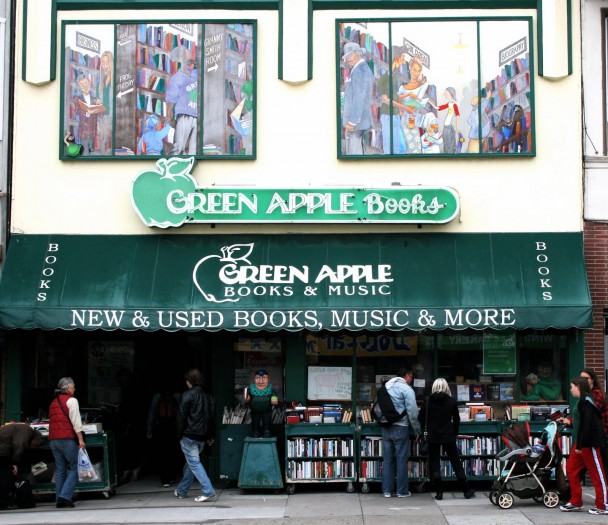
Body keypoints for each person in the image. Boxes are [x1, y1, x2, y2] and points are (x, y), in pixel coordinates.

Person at [559, 377, 608, 514]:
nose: (570, 389)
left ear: (578, 387)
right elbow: (581, 424)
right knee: (571, 468)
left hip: (590, 443)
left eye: (572, 387)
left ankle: (603, 505)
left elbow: (587, 426)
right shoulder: (582, 402)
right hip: (581, 444)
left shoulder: (587, 402)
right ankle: (576, 501)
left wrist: (580, 445)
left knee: (597, 474)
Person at [426, 378, 475, 500]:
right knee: (456, 462)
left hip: (433, 435)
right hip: (448, 435)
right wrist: (454, 433)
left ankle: (439, 493)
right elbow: (457, 420)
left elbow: (422, 417)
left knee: (435, 463)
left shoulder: (428, 401)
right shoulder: (451, 401)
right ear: (446, 387)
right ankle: (466, 490)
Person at [174, 368, 216, 502]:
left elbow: (180, 416)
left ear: (188, 382)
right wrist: (210, 436)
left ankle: (208, 491)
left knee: (194, 463)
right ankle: (181, 491)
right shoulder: (208, 396)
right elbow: (211, 417)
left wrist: (179, 434)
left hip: (189, 435)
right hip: (202, 437)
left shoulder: (187, 395)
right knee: (191, 464)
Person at [381, 366, 420, 498]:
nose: (411, 379)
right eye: (411, 377)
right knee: (401, 460)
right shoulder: (407, 390)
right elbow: (413, 412)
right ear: (407, 375)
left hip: (386, 427)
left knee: (387, 459)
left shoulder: (386, 386)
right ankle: (401, 491)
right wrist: (417, 429)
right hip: (401, 427)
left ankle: (387, 490)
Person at [48, 377, 86, 508]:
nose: (74, 389)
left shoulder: (53, 402)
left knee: (60, 469)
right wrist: (80, 439)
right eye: (73, 386)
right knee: (76, 466)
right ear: (68, 388)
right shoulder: (72, 400)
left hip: (53, 440)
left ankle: (59, 498)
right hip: (66, 439)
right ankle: (65, 496)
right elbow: (76, 421)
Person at [341, 42, 375, 155]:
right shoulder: (363, 69)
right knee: (360, 150)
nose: (347, 60)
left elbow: (359, 97)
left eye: (349, 56)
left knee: (354, 154)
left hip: (356, 124)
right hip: (362, 121)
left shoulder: (358, 71)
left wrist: (352, 121)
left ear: (356, 54)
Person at [0, 424, 43, 509]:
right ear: (35, 439)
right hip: (2, 453)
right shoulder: (26, 431)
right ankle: (3, 501)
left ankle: (4, 501)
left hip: (3, 452)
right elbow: (18, 446)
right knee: (6, 475)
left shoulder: (24, 430)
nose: (34, 447)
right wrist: (14, 463)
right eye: (36, 445)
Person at [147, 383, 181, 487]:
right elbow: (180, 414)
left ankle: (164, 479)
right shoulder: (177, 396)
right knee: (173, 452)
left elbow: (152, 414)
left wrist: (149, 430)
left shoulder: (157, 396)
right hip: (172, 427)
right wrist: (180, 430)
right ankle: (172, 476)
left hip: (160, 427)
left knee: (162, 453)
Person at [166, 57, 199, 155]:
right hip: (191, 115)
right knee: (192, 150)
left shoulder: (178, 76)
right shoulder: (199, 75)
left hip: (186, 115)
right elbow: (171, 98)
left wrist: (169, 116)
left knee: (179, 148)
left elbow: (171, 98)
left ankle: (177, 165)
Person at [377, 50, 407, 154]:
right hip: (388, 116)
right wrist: (403, 107)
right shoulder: (384, 79)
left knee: (401, 147)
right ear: (396, 58)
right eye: (402, 58)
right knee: (391, 149)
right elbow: (385, 99)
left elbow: (396, 95)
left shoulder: (394, 78)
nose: (403, 62)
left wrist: (401, 108)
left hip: (395, 115)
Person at [580, 368, 608, 472]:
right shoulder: (587, 394)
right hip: (594, 435)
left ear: (592, 380)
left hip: (602, 435)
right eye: (581, 378)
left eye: (586, 378)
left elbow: (590, 413)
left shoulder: (596, 394)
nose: (583, 380)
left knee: (603, 466)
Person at [72, 76, 105, 155]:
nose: (85, 86)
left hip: (93, 130)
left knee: (91, 150)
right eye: (82, 85)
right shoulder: (77, 98)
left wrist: (100, 104)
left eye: (86, 83)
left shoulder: (95, 99)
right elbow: (77, 111)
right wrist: (88, 113)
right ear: (79, 87)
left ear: (90, 84)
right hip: (84, 130)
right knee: (85, 153)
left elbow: (101, 114)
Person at [244, 369, 279, 438]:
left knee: (267, 422)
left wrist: (274, 400)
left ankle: (267, 432)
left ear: (268, 379)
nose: (261, 381)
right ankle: (255, 432)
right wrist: (247, 399)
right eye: (258, 378)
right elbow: (246, 400)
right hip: (255, 411)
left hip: (267, 411)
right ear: (254, 379)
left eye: (264, 378)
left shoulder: (271, 389)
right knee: (255, 422)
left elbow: (274, 398)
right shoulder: (250, 390)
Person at [431, 87, 460, 153]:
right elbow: (438, 108)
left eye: (446, 93)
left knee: (449, 144)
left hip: (449, 128)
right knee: (446, 144)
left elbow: (457, 115)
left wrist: (457, 128)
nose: (444, 94)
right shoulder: (449, 104)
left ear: (450, 94)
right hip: (446, 127)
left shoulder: (454, 104)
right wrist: (430, 102)